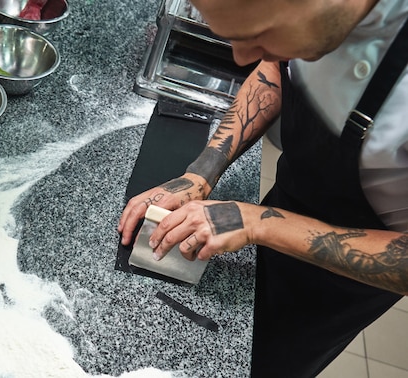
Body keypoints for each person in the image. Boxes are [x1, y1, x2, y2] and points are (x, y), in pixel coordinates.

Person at [118, 0, 408, 376]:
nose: (241, 58)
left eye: (259, 34)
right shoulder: (305, 20)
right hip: (283, 207)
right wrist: (201, 173)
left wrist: (260, 223)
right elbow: (276, 67)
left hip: (342, 286)